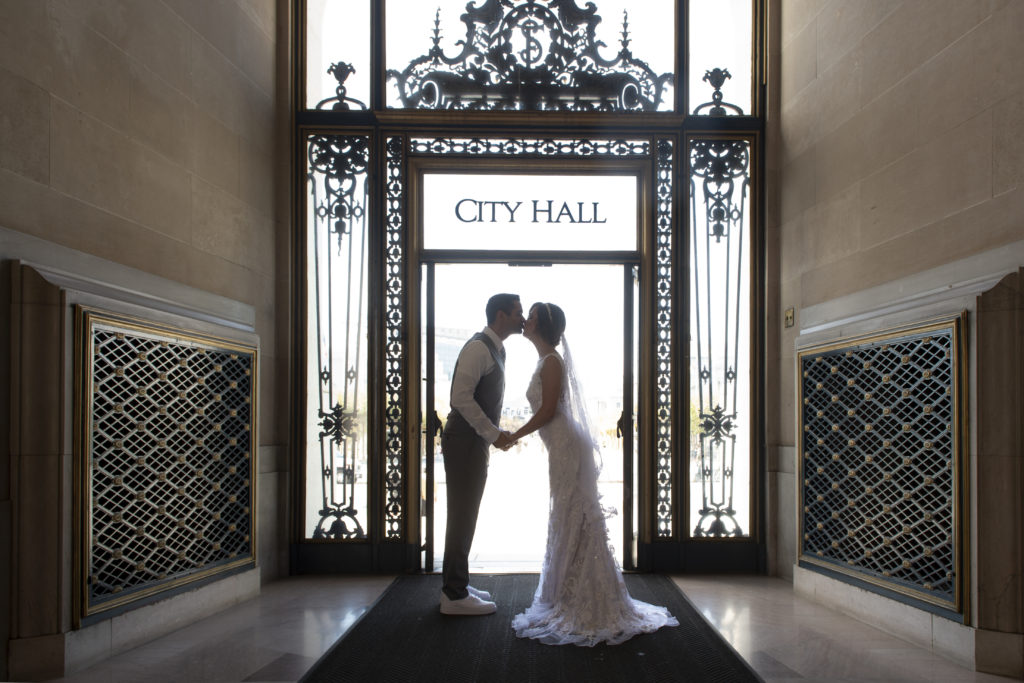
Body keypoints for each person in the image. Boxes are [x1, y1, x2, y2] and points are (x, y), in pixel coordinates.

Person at [508, 302, 679, 645]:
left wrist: (513, 435)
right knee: (566, 514)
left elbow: (547, 411)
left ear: (538, 322)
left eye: (529, 315)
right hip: (560, 448)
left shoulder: (552, 361)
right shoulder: (546, 360)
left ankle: (588, 596)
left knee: (574, 514)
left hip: (568, 448)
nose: (524, 320)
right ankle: (567, 591)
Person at [440, 293, 524, 615]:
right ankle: (454, 594)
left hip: (472, 441)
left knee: (465, 514)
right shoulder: (479, 348)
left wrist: (489, 437)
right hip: (465, 440)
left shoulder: (495, 349)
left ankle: (456, 583)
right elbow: (460, 398)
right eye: (517, 312)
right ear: (500, 315)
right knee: (462, 514)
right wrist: (493, 434)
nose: (521, 317)